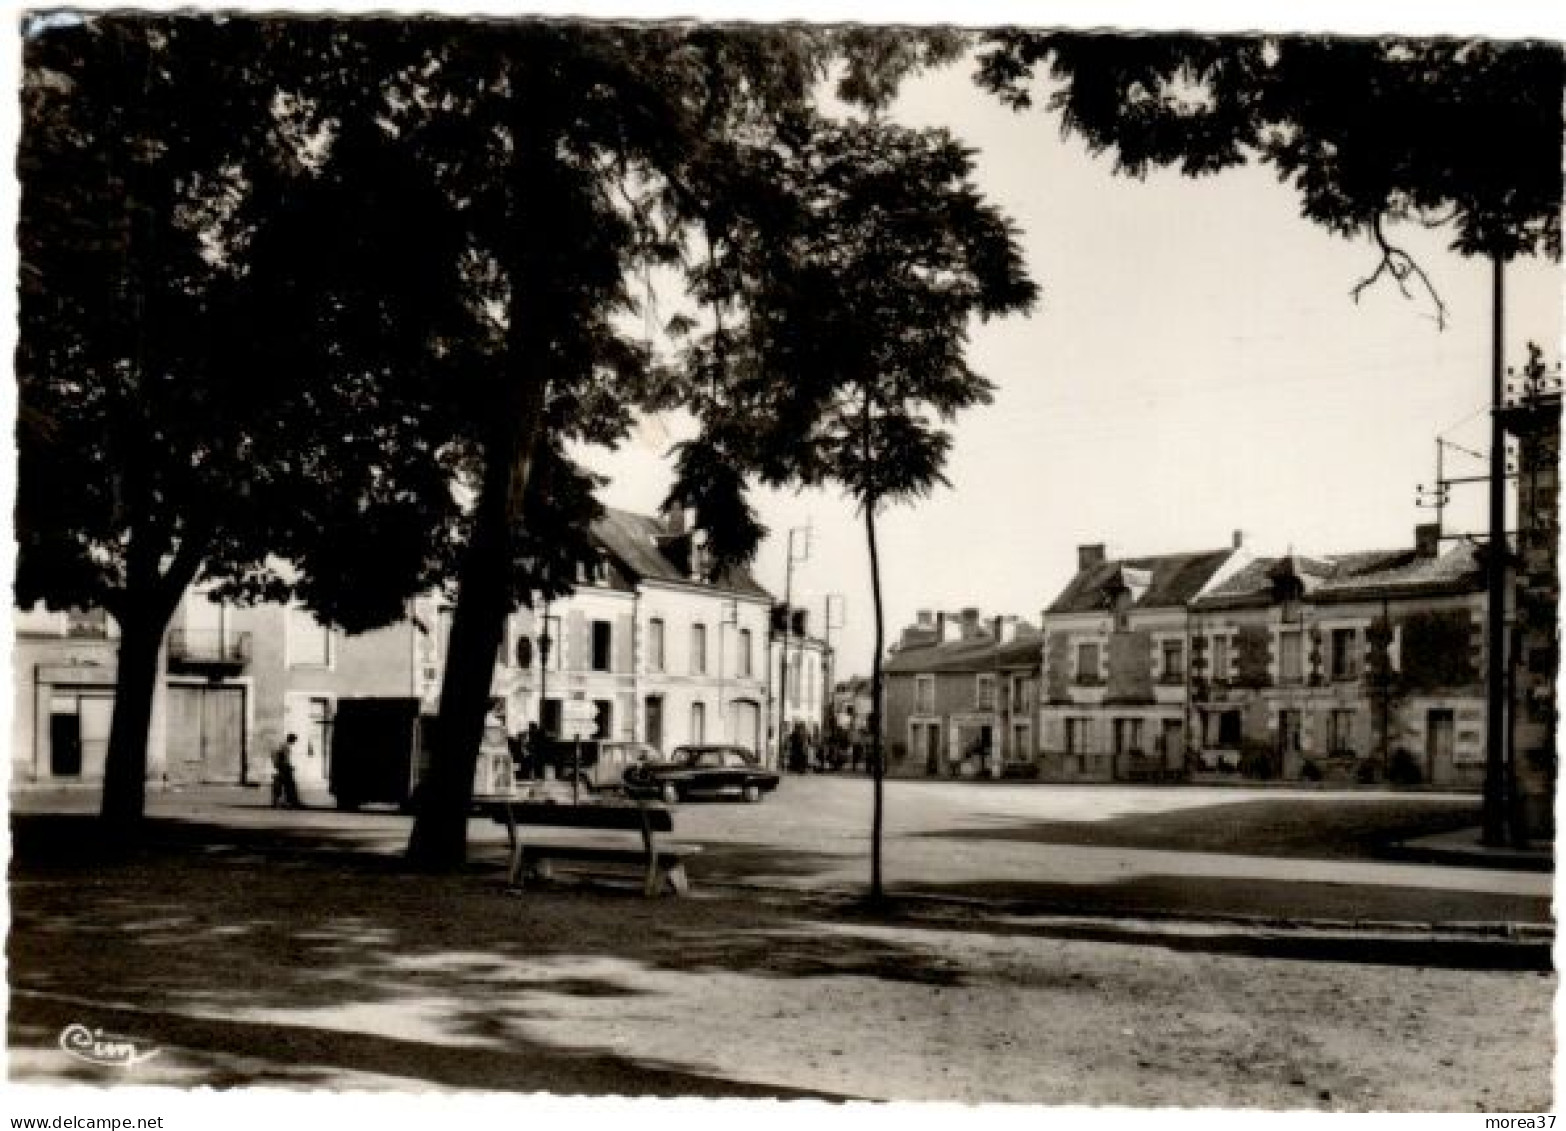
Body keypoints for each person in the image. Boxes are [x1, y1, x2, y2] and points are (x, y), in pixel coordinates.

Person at [271, 734, 302, 809]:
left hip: (281, 767)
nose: (294, 742)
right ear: (291, 739)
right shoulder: (286, 746)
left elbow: (275, 756)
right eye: (294, 740)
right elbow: (285, 759)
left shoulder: (282, 745)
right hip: (284, 768)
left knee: (281, 785)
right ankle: (290, 802)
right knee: (289, 785)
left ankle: (280, 802)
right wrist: (289, 766)